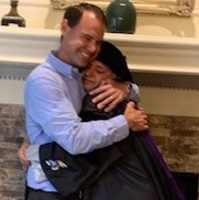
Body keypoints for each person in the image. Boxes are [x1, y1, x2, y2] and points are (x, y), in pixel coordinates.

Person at [20, 3, 148, 200]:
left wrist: (127, 89)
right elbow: (74, 139)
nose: (92, 49)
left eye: (98, 42)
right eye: (87, 38)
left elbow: (126, 89)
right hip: (49, 191)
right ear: (64, 28)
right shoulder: (44, 80)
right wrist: (126, 122)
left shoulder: (81, 76)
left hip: (79, 187)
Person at [26, 41, 185, 200]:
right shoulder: (113, 102)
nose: (89, 73)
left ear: (114, 79)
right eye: (88, 67)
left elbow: (85, 157)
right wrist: (127, 88)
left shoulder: (105, 106)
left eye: (99, 70)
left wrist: (35, 154)